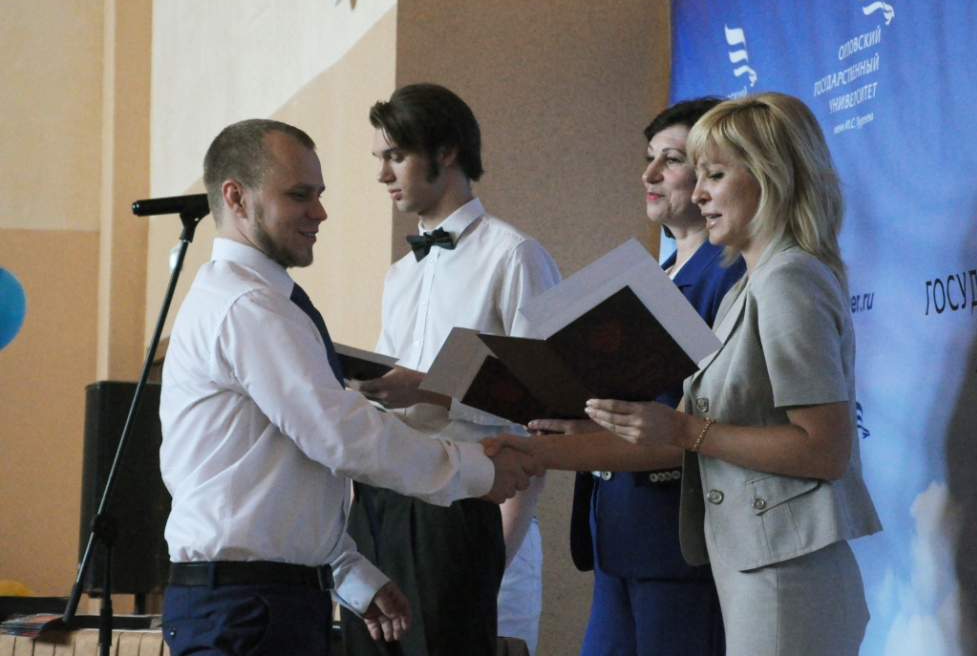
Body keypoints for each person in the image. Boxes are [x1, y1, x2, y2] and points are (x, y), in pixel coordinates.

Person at [486, 92, 882, 656]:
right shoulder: (753, 285)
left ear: (770, 176)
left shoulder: (789, 280)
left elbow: (824, 450)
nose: (698, 193)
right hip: (749, 560)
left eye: (714, 175)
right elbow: (685, 432)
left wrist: (682, 429)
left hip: (784, 568)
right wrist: (536, 448)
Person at [159, 118, 543, 656]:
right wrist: (478, 469)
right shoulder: (249, 306)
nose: (320, 212)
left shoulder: (512, 253)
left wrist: (348, 570)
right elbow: (338, 435)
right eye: (299, 195)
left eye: (319, 194)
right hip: (251, 602)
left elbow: (277, 469)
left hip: (280, 589)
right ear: (236, 198)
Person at [339, 84, 560, 656]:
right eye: (379, 158)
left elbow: (545, 403)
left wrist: (426, 386)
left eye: (396, 156)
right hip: (390, 506)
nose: (382, 174)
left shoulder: (513, 255)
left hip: (475, 508)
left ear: (446, 152)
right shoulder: (400, 275)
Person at [568, 98, 744, 656]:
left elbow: (721, 415)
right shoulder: (647, 276)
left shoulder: (731, 275)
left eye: (670, 160)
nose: (649, 175)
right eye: (649, 158)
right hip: (615, 535)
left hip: (677, 543)